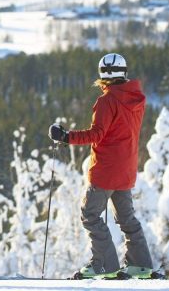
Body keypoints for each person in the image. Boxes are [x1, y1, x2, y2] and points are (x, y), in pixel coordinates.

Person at [48, 53, 157, 280]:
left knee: (90, 214)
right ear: (124, 72)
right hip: (126, 169)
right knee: (127, 218)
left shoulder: (107, 101)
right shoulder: (137, 99)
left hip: (106, 170)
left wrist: (65, 136)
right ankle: (140, 265)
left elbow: (96, 134)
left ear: (102, 75)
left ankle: (104, 265)